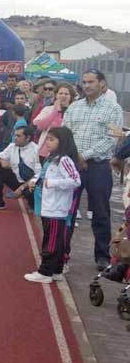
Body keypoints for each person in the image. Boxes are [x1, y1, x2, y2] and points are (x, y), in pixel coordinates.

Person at [63, 68, 124, 269]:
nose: (87, 86)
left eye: (91, 82)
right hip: (73, 166)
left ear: (102, 84)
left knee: (100, 212)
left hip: (98, 167)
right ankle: (62, 252)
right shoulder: (75, 107)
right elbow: (66, 133)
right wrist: (73, 156)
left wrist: (84, 155)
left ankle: (102, 256)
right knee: (67, 210)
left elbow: (110, 140)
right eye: (85, 82)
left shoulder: (112, 109)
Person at [22, 127, 82, 283]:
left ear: (62, 142)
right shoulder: (51, 158)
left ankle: (45, 272)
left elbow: (75, 181)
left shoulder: (64, 160)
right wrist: (35, 181)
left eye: (51, 139)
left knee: (52, 241)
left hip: (57, 208)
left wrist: (52, 183)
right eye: (47, 138)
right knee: (54, 239)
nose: (47, 142)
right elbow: (42, 174)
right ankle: (56, 270)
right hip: (48, 206)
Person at [0, 125, 40, 210]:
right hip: (17, 180)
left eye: (18, 136)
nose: (15, 138)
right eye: (15, 135)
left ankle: (32, 204)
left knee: (33, 190)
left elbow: (38, 175)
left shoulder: (36, 150)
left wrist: (21, 188)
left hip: (30, 183)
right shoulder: (12, 146)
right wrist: (2, 161)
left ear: (28, 138)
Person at [33, 82, 75, 159]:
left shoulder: (74, 111)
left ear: (71, 97)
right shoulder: (48, 109)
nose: (63, 96)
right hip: (45, 152)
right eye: (60, 93)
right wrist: (55, 111)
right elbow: (40, 126)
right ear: (56, 95)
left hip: (64, 152)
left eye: (66, 94)